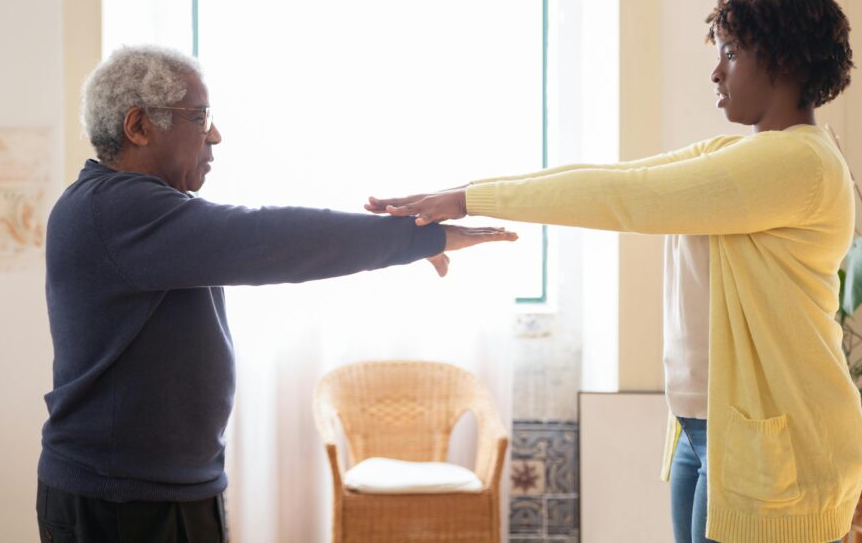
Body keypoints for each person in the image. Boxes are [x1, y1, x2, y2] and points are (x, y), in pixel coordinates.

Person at [366, 0, 862, 543]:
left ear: (785, 60)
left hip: (781, 444)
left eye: (732, 52)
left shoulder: (795, 164)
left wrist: (465, 198)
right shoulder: (739, 155)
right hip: (709, 429)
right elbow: (621, 178)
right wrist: (465, 191)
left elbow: (626, 200)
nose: (716, 71)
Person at [36, 45, 516, 543]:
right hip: (120, 502)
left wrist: (412, 242)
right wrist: (421, 235)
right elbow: (274, 240)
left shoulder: (134, 212)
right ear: (137, 127)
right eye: (199, 118)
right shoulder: (118, 210)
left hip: (160, 491)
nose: (215, 135)